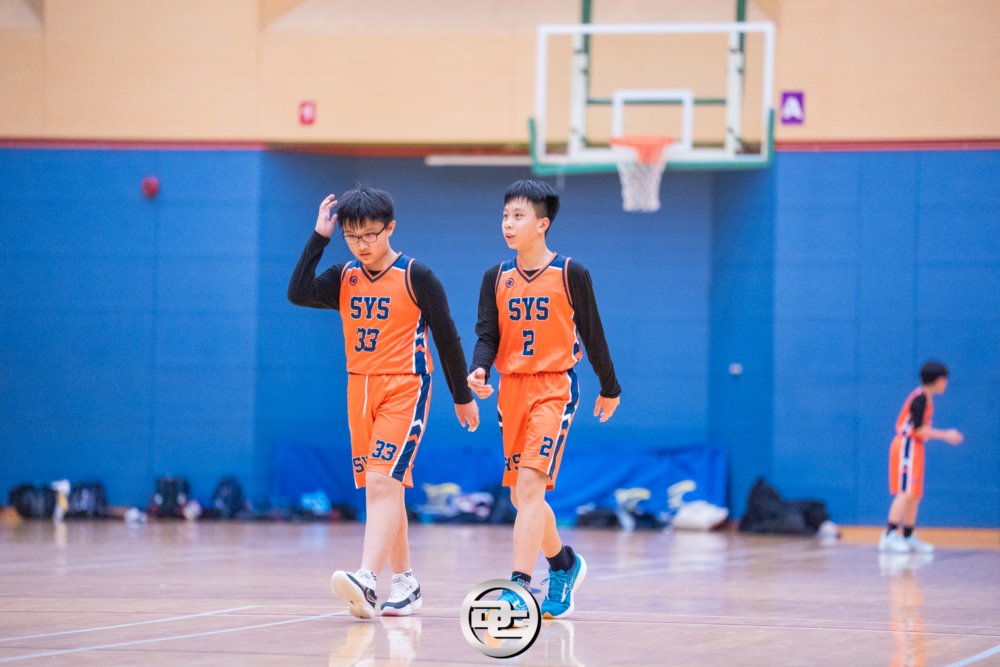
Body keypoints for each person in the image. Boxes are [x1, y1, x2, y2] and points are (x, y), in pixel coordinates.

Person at [288, 186, 479, 619]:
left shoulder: (416, 276)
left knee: (380, 482)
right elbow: (298, 292)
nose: (361, 245)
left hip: (405, 387)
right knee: (386, 488)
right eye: (352, 237)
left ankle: (368, 579)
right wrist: (319, 237)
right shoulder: (344, 276)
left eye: (370, 235)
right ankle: (406, 584)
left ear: (390, 227)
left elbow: (447, 337)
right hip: (359, 389)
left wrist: (461, 397)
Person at [467, 179, 621, 619]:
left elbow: (593, 333)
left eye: (518, 216)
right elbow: (487, 335)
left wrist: (610, 387)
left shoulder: (571, 273)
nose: (508, 224)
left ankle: (518, 586)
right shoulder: (495, 277)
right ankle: (563, 564)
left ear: (542, 224)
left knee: (532, 486)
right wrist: (479, 368)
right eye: (505, 216)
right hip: (511, 389)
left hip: (554, 387)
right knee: (522, 498)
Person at [879, 361, 963, 554]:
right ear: (939, 380)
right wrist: (946, 435)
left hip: (916, 447)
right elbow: (918, 429)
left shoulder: (926, 398)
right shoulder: (920, 398)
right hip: (906, 445)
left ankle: (908, 535)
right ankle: (889, 535)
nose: (946, 384)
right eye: (945, 380)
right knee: (905, 491)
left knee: (915, 494)